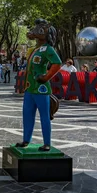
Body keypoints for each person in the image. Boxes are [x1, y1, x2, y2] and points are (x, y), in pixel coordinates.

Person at [16, 19, 62, 152]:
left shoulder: (48, 49)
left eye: (39, 30)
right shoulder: (36, 49)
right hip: (30, 88)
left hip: (41, 88)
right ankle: (26, 139)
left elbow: (57, 63)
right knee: (27, 114)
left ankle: (47, 142)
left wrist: (47, 76)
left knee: (44, 116)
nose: (35, 32)